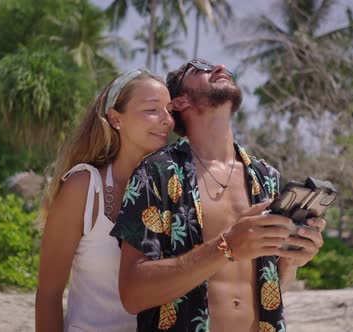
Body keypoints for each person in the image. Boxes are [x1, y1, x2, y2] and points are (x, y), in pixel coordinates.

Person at [111, 60, 326, 332]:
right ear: (179, 102)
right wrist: (227, 246)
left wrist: (294, 259)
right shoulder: (157, 172)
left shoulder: (266, 177)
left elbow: (273, 285)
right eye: (199, 67)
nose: (220, 66)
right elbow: (133, 294)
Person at [35, 68, 174, 332]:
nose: (167, 120)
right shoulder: (84, 188)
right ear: (115, 119)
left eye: (169, 110)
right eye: (152, 110)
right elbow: (48, 294)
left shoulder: (173, 191)